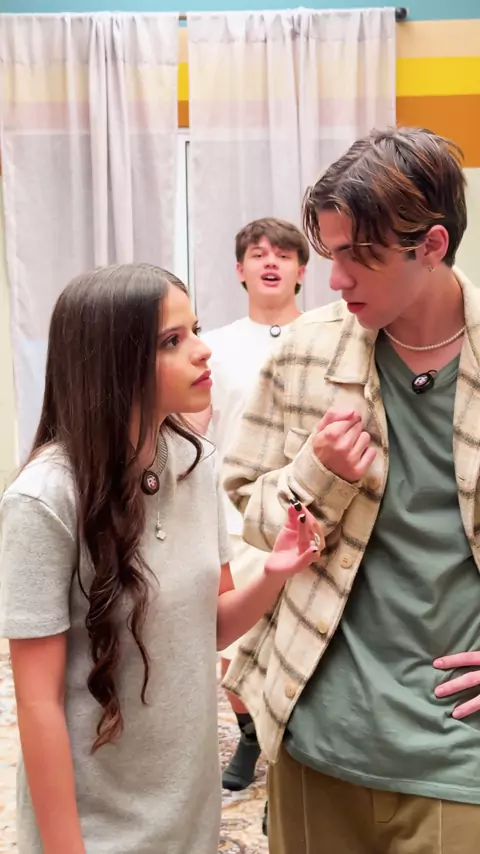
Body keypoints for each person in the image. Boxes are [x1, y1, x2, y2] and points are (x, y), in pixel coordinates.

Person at [0, 263, 320, 854]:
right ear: (111, 362)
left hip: (189, 811)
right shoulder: (45, 500)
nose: (203, 350)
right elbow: (37, 705)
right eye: (173, 340)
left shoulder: (195, 462)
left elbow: (207, 626)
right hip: (95, 827)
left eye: (195, 328)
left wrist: (274, 575)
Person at [221, 127, 480, 854]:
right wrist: (318, 474)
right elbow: (252, 511)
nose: (334, 280)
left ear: (431, 245)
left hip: (459, 751)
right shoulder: (305, 351)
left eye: (357, 256)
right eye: (329, 254)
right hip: (317, 732)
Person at [194, 217, 309, 796]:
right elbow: (194, 429)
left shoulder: (328, 336)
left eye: (283, 255)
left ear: (301, 271)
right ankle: (249, 734)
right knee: (235, 642)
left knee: (301, 639)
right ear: (240, 270)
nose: (271, 262)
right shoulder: (213, 346)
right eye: (259, 254)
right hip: (233, 517)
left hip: (307, 515)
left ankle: (290, 762)